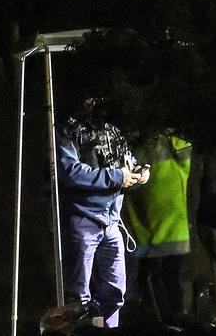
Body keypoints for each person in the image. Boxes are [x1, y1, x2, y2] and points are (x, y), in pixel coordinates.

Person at [56, 96, 150, 333]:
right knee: (79, 295)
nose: (95, 103)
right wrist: (117, 177)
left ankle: (105, 330)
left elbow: (127, 164)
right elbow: (70, 171)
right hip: (83, 219)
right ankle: (82, 331)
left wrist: (139, 174)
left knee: (116, 292)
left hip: (112, 222)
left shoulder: (113, 131)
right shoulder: (70, 130)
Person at [121, 135, 193, 328]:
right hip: (170, 230)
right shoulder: (177, 143)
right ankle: (173, 321)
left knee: (156, 284)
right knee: (169, 282)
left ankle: (164, 322)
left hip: (152, 232)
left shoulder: (139, 143)